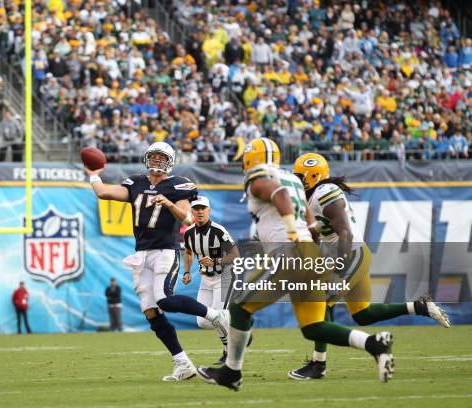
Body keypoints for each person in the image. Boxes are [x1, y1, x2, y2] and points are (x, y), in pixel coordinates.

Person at [198, 138, 396, 391]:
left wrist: (291, 229)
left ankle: (231, 372)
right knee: (314, 327)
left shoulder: (262, 176)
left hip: (289, 254)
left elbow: (278, 194)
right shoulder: (293, 180)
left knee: (239, 307)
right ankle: (375, 345)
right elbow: (311, 221)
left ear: (251, 158)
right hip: (308, 254)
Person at [287, 153, 450, 380]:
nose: (298, 182)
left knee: (322, 301)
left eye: (301, 177)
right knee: (364, 315)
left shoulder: (325, 192)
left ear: (314, 176)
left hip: (350, 255)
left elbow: (345, 232)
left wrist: (339, 268)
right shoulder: (308, 198)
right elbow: (317, 236)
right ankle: (420, 307)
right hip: (345, 255)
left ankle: (318, 365)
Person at [85, 141, 229, 382]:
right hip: (142, 253)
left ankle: (215, 316)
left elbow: (186, 218)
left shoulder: (178, 185)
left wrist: (168, 202)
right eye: (153, 157)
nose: (156, 162)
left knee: (165, 299)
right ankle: (182, 363)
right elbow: (103, 193)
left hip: (165, 250)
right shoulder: (136, 182)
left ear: (171, 161)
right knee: (151, 311)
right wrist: (93, 175)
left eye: (162, 158)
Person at [183, 196, 240, 365]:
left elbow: (235, 255)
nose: (200, 211)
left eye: (203, 208)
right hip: (205, 279)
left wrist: (216, 261)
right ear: (192, 211)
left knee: (218, 316)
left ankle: (229, 352)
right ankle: (238, 328)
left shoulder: (218, 231)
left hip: (224, 276)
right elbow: (188, 252)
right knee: (202, 321)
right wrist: (186, 272)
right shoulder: (189, 233)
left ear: (209, 210)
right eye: (196, 208)